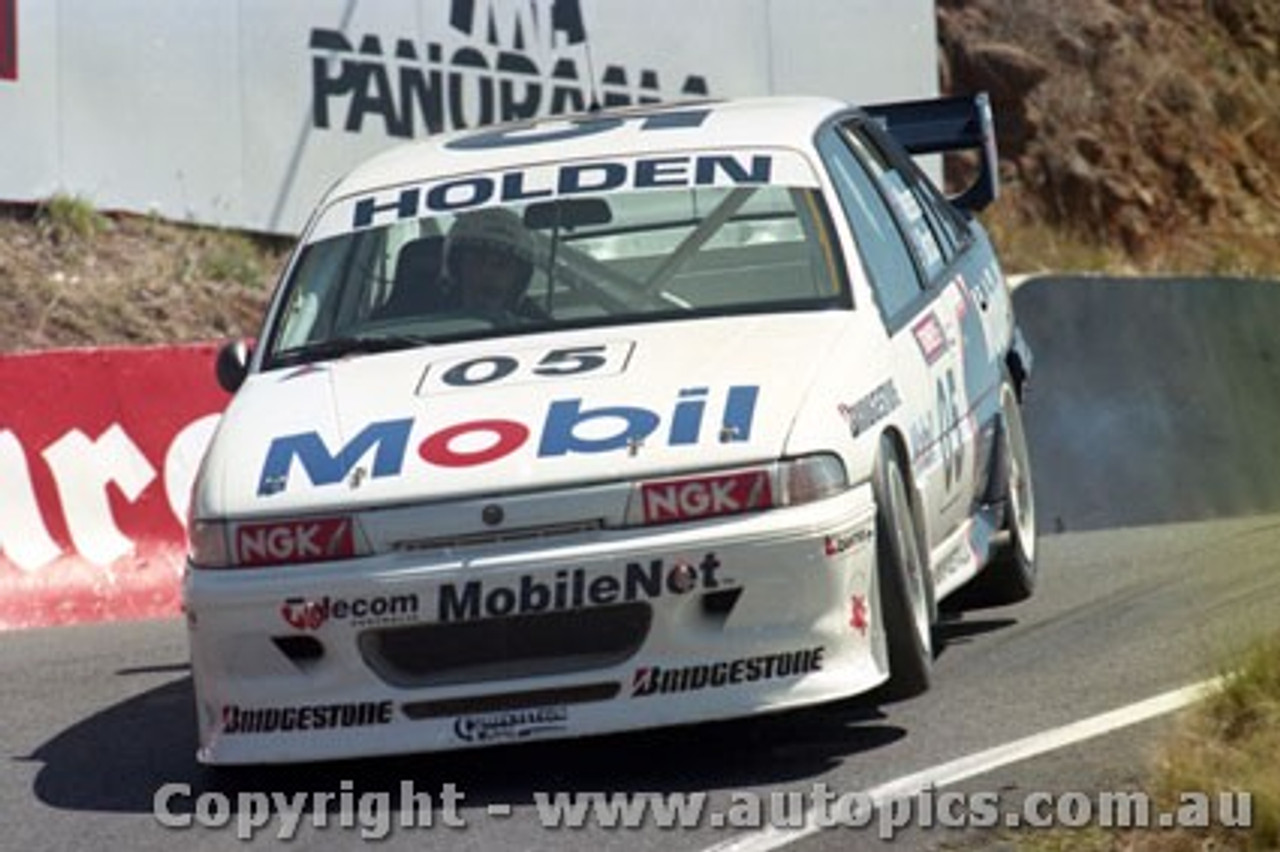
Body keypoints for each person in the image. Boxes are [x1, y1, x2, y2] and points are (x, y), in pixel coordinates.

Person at [441, 207, 538, 324]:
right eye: (478, 260)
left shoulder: (540, 335)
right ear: (456, 267)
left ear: (518, 278)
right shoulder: (421, 330)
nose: (487, 273)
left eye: (501, 264)